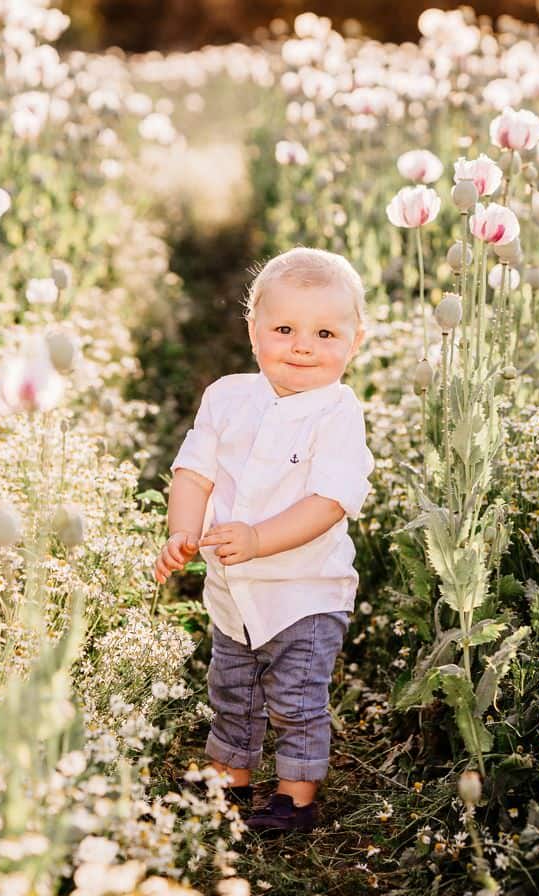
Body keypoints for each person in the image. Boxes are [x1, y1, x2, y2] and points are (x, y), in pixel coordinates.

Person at [153, 247, 375, 835]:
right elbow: (194, 473)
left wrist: (257, 537)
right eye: (284, 330)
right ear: (253, 331)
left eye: (324, 333)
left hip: (305, 592)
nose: (302, 346)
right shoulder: (227, 396)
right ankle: (230, 780)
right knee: (233, 689)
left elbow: (328, 502)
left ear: (355, 342)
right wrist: (183, 530)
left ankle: (294, 799)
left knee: (296, 699)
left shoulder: (338, 414)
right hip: (233, 590)